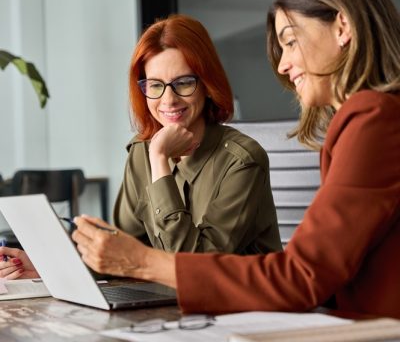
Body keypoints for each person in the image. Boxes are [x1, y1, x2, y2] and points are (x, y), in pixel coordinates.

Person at [4, 0, 400, 318]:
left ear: (343, 28)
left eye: (290, 41)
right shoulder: (369, 119)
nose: (281, 64)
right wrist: (52, 262)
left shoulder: (374, 118)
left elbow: (299, 275)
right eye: (155, 86)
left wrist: (143, 261)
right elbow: (123, 248)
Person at [0, 14, 282, 279]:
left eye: (183, 83)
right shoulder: (139, 152)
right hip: (165, 308)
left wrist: (159, 161)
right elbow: (123, 252)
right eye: (155, 85)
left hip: (240, 313)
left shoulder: (242, 160)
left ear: (207, 84)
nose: (168, 100)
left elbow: (193, 267)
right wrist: (48, 266)